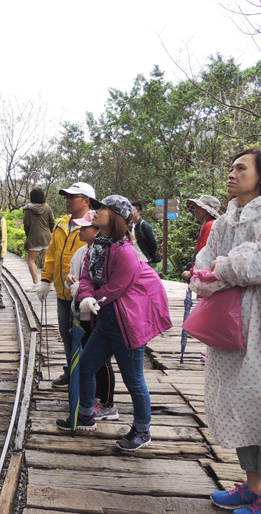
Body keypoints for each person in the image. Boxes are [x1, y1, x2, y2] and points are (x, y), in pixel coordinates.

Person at [192, 149, 261, 514]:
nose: (231, 174)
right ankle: (254, 487)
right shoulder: (226, 221)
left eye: (241, 168)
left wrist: (217, 271)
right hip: (232, 329)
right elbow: (202, 266)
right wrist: (214, 272)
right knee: (241, 404)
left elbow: (257, 265)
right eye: (230, 168)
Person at [56, 195, 172, 452]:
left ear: (116, 217)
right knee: (85, 366)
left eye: (102, 208)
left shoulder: (126, 252)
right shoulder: (98, 246)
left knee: (133, 379)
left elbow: (116, 288)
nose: (95, 211)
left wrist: (91, 298)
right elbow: (86, 276)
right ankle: (85, 415)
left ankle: (142, 430)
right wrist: (84, 295)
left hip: (127, 325)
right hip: (106, 322)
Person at [37, 182, 95, 387]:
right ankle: (71, 371)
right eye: (66, 197)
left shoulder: (93, 226)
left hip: (85, 295)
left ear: (86, 201)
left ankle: (86, 376)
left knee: (85, 337)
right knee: (66, 334)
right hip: (63, 293)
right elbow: (52, 255)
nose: (68, 201)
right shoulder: (61, 225)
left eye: (73, 197)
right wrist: (45, 280)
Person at [64, 210, 118, 422]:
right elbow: (78, 277)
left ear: (96, 231)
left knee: (102, 361)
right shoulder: (80, 252)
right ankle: (94, 398)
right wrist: (72, 283)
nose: (80, 231)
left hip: (97, 313)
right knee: (89, 358)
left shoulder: (104, 251)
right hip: (81, 314)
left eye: (84, 227)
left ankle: (107, 402)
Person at [180, 195, 221, 281]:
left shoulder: (210, 225)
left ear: (206, 210)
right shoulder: (208, 224)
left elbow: (205, 253)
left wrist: (192, 272)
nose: (196, 209)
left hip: (205, 274)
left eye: (199, 207)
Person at [23, 188, 56, 292]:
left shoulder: (28, 209)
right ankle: (49, 284)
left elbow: (26, 224)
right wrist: (50, 232)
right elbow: (52, 221)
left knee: (31, 261)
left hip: (33, 237)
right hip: (47, 236)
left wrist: (28, 234)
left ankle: (36, 283)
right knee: (46, 260)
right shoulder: (47, 207)